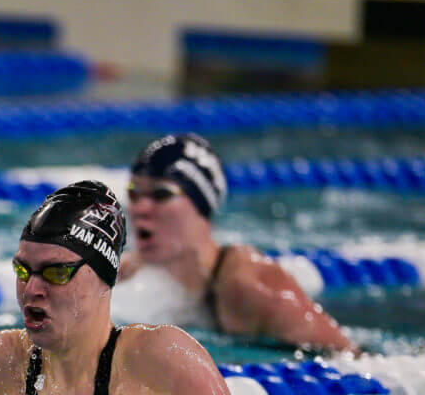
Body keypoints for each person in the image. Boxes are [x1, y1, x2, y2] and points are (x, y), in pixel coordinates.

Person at [0, 180, 255, 395]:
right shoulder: (0, 361)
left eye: (56, 272)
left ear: (104, 277)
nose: (31, 289)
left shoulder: (167, 360)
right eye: (22, 270)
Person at [119, 133, 356, 353]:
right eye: (134, 193)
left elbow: (352, 360)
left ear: (203, 207)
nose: (139, 208)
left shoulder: (252, 287)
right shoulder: (137, 269)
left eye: (161, 194)